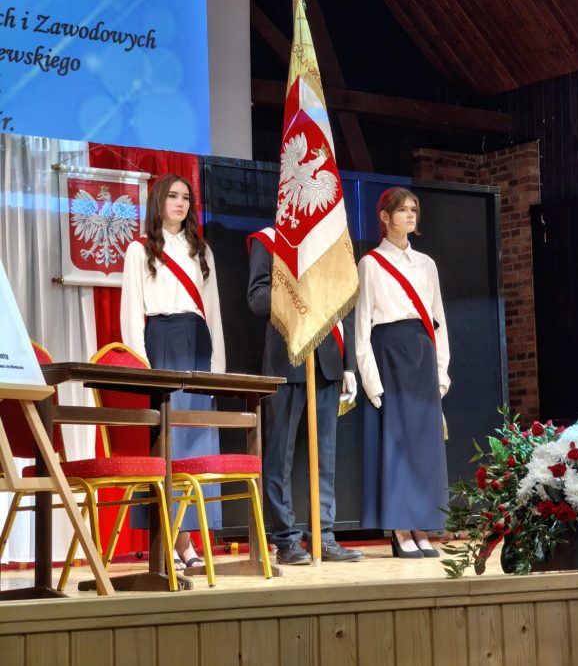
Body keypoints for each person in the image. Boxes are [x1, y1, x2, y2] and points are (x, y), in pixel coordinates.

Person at [120, 173, 225, 569]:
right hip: (161, 341)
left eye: (186, 197)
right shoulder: (140, 250)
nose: (181, 203)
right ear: (158, 202)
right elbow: (132, 312)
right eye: (173, 196)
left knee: (197, 442)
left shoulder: (202, 250)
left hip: (198, 341)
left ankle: (188, 538)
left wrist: (217, 368)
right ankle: (177, 542)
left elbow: (212, 312)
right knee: (170, 445)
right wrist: (140, 366)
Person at [247, 226, 364, 564]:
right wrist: (296, 289)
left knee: (325, 456)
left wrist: (349, 365)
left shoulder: (327, 237)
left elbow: (345, 301)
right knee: (280, 454)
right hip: (286, 358)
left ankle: (323, 535)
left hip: (327, 360)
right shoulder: (268, 240)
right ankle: (285, 539)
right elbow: (257, 299)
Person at [355, 187, 449, 558]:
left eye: (414, 209)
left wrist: (442, 371)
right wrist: (370, 379)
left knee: (424, 445)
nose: (410, 215)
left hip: (422, 354)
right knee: (394, 442)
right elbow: (362, 326)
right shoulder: (371, 263)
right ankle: (399, 528)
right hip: (389, 353)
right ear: (384, 216)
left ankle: (422, 525)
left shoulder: (427, 264)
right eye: (402, 210)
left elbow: (438, 321)